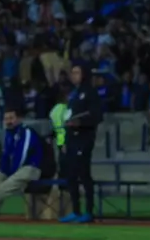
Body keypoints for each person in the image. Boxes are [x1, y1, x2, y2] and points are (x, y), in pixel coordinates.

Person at [0, 107, 42, 215]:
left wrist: (11, 172)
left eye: (11, 118)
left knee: (4, 187)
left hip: (30, 168)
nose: (8, 121)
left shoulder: (26, 131)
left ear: (19, 119)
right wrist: (4, 172)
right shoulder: (9, 134)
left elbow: (22, 155)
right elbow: (6, 155)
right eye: (6, 119)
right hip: (14, 169)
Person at [60, 64, 101, 224]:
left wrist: (80, 122)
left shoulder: (90, 93)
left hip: (84, 140)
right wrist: (66, 140)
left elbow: (97, 116)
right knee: (71, 176)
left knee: (84, 175)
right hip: (72, 140)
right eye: (73, 72)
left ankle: (89, 212)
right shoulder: (74, 94)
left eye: (77, 72)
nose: (74, 75)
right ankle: (76, 211)